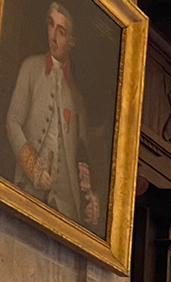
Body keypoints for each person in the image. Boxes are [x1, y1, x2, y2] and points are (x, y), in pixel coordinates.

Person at [6, 2, 101, 229]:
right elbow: (12, 121)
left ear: (72, 41)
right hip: (28, 189)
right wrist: (33, 166)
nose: (54, 36)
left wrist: (90, 198)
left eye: (62, 30)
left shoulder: (77, 97)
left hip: (66, 206)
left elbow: (82, 154)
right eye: (51, 25)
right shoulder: (30, 68)